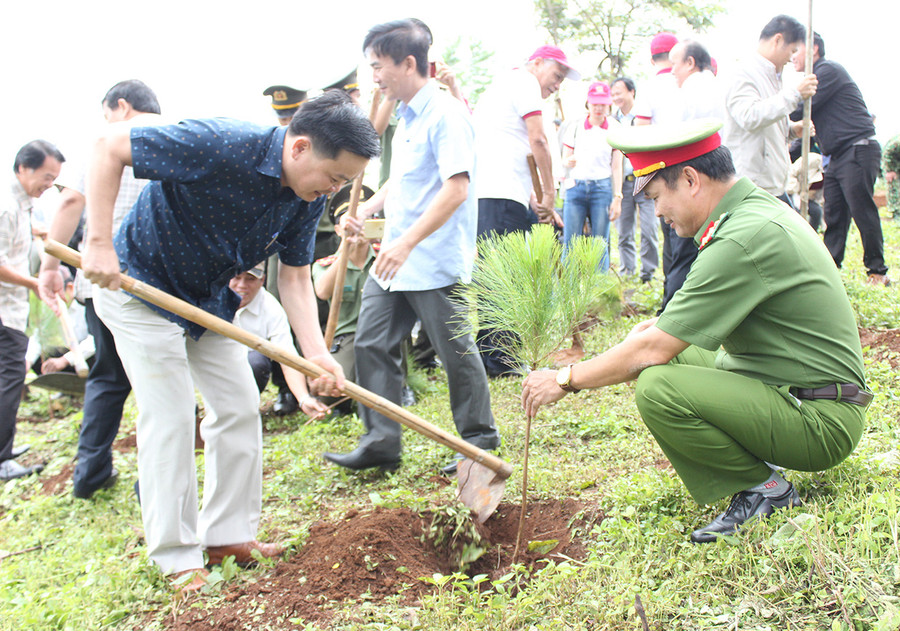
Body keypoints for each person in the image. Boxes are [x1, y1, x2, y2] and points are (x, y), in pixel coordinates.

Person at [74, 90, 380, 591]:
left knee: (238, 405)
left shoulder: (305, 196)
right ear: (299, 147)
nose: (333, 190)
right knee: (171, 415)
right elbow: (108, 145)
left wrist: (317, 356)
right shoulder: (218, 143)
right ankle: (176, 556)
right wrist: (98, 242)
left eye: (343, 183)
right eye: (335, 178)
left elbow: (297, 279)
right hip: (139, 288)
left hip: (207, 302)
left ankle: (227, 537)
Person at [522, 119, 870, 543]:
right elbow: (660, 336)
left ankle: (766, 490)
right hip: (797, 387)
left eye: (656, 197)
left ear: (690, 179)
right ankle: (760, 474)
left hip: (820, 421)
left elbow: (650, 351)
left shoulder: (741, 237)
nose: (659, 212)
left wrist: (565, 379)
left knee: (657, 385)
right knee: (660, 341)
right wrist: (647, 339)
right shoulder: (749, 212)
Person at [323, 18, 499, 476]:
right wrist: (366, 209)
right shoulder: (404, 118)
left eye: (379, 66)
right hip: (395, 260)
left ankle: (479, 445)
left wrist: (405, 242)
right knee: (371, 343)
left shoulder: (447, 114)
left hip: (434, 260)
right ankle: (381, 440)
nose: (374, 76)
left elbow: (455, 189)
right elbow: (401, 183)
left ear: (408, 63)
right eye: (371, 67)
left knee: (455, 353)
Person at [39, 80, 159, 499]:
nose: (105, 121)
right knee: (158, 384)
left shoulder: (105, 139)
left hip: (105, 281)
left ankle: (90, 475)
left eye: (107, 111)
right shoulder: (174, 141)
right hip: (157, 286)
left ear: (121, 106)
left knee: (108, 379)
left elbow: (72, 202)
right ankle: (154, 483)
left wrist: (51, 265)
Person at [473, 44, 579, 375]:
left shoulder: (504, 86)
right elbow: (539, 142)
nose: (557, 84)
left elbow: (515, 154)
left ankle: (492, 354)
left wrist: (540, 202)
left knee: (499, 274)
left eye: (562, 79)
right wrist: (549, 193)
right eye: (556, 75)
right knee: (505, 276)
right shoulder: (525, 83)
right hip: (499, 196)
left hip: (497, 194)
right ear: (535, 64)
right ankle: (498, 360)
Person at [790, 32, 889, 286]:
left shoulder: (826, 71)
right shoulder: (817, 76)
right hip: (836, 156)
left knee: (861, 209)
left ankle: (877, 271)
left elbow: (801, 108)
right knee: (834, 213)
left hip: (857, 149)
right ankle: (831, 268)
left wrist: (778, 106)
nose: (792, 57)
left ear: (813, 49)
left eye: (795, 51)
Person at [1, 140, 64, 480]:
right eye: (46, 175)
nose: (50, 184)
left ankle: (5, 448)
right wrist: (35, 283)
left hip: (10, 307)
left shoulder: (21, 206)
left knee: (8, 378)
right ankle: (1, 458)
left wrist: (36, 230)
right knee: (10, 379)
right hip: (3, 309)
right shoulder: (6, 205)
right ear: (24, 168)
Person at [723, 15, 818, 204]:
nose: (791, 59)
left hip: (772, 184)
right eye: (791, 51)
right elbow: (749, 116)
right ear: (778, 40)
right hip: (752, 184)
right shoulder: (743, 72)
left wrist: (791, 130)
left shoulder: (772, 75)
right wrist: (795, 94)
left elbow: (767, 122)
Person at [230, 265, 327, 419]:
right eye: (237, 277)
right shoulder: (214, 300)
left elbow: (287, 356)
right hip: (212, 362)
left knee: (257, 362)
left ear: (262, 281)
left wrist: (303, 399)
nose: (242, 285)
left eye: (250, 279)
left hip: (247, 366)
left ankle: (241, 407)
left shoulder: (270, 307)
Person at [311, 215, 377, 414]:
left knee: (382, 388)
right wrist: (345, 253)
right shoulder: (325, 264)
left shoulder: (385, 257)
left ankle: (401, 387)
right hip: (347, 336)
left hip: (380, 333)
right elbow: (322, 291)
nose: (360, 228)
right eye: (352, 224)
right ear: (339, 230)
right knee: (332, 391)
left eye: (366, 222)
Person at [561, 81, 623, 272]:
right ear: (588, 103)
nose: (598, 108)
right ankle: (567, 292)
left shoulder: (615, 127)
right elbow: (565, 158)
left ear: (609, 104)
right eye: (595, 103)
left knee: (600, 243)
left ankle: (599, 292)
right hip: (576, 188)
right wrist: (568, 161)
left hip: (602, 188)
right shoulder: (576, 126)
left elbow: (616, 165)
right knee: (570, 242)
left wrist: (617, 197)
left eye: (602, 103)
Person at [611, 77, 658, 282]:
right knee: (624, 231)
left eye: (619, 92)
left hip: (645, 178)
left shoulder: (643, 116)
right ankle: (627, 273)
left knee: (649, 229)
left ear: (632, 92)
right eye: (613, 94)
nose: (616, 97)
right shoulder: (612, 121)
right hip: (623, 182)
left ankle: (648, 274)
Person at [669, 40, 724, 121]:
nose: (672, 72)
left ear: (690, 63)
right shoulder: (722, 88)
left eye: (674, 64)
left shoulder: (685, 94)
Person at [883, 133, 900, 221]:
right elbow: (889, 151)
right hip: (891, 160)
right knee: (893, 185)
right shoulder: (897, 143)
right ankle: (896, 213)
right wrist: (890, 170)